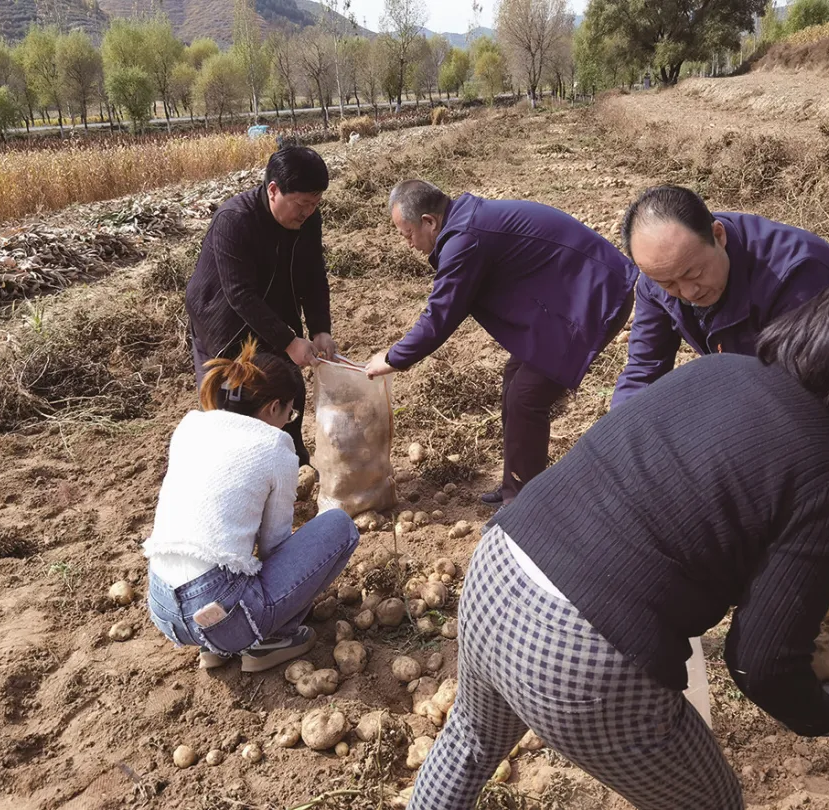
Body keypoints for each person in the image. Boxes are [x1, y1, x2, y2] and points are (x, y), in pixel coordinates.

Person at [407, 267, 829, 810]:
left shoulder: (719, 372)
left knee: (469, 744)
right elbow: (761, 662)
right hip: (578, 651)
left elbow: (700, 507)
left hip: (498, 570)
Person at [364, 180, 639, 506]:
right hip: (571, 297)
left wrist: (394, 357)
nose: (407, 243)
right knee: (515, 382)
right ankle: (517, 485)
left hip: (596, 298)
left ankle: (522, 503)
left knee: (525, 396)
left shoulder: (465, 239)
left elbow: (441, 316)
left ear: (429, 221)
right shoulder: (466, 225)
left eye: (407, 233)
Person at [143, 338, 359, 672]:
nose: (289, 420)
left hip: (163, 609)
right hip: (222, 609)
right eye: (290, 412)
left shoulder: (191, 426)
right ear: (274, 407)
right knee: (339, 526)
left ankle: (215, 645)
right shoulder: (274, 444)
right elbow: (274, 545)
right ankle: (267, 639)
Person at [611, 184, 829, 408]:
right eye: (668, 283)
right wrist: (617, 436)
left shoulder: (797, 275)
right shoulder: (660, 273)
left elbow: (801, 390)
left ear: (718, 235)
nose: (688, 292)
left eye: (694, 273)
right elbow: (643, 370)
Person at [185, 146, 338, 466]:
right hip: (224, 320)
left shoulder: (308, 220)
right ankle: (236, 472)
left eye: (315, 204)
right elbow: (239, 294)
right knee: (234, 401)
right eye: (301, 204)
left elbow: (313, 275)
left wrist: (320, 328)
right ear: (273, 190)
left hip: (275, 308)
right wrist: (289, 341)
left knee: (288, 389)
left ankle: (292, 461)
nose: (307, 212)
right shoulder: (234, 221)